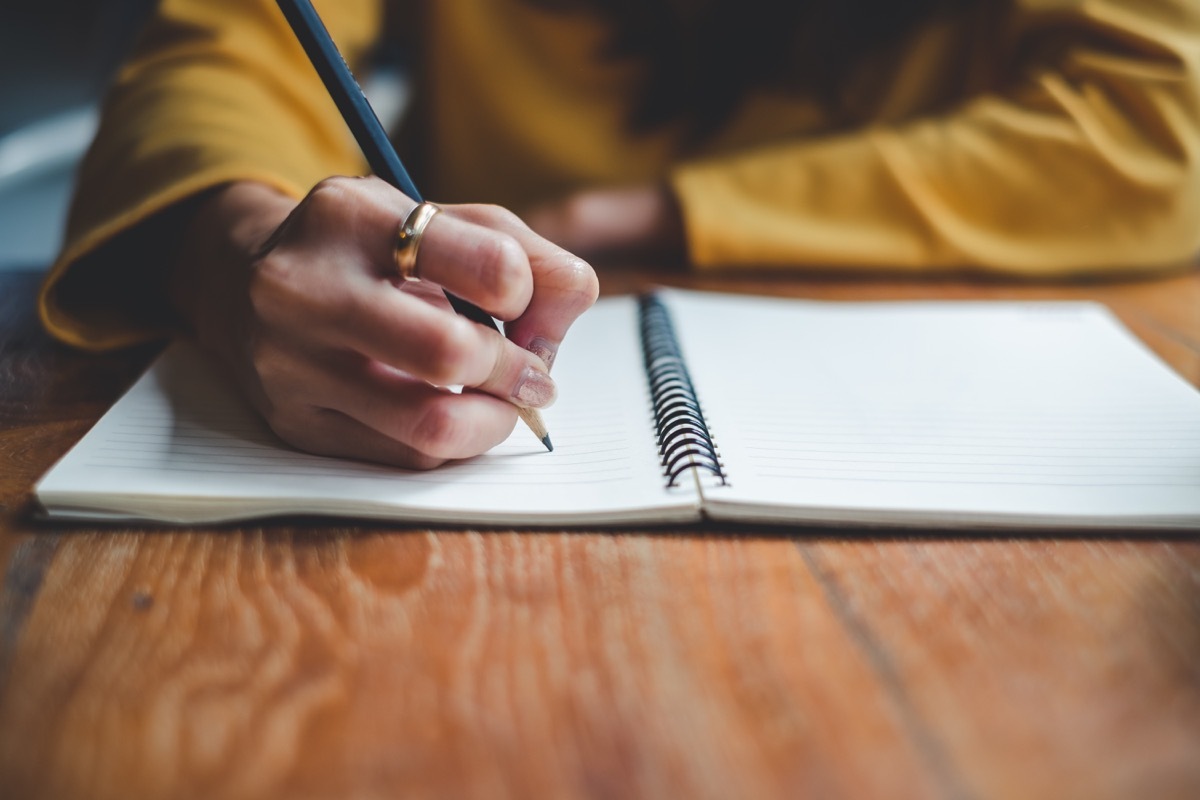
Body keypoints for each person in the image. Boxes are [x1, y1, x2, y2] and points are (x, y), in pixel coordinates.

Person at [38, 0, 1200, 469]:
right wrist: (235, 243)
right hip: (435, 353)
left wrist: (646, 213)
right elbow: (227, 49)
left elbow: (1166, 120)